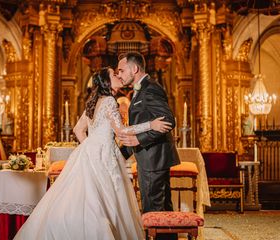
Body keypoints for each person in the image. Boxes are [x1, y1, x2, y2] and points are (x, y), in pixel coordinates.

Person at [14, 67, 172, 240]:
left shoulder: (94, 101)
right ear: (106, 81)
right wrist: (151, 125)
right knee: (103, 201)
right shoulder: (110, 101)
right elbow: (121, 131)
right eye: (114, 74)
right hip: (104, 157)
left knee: (88, 199)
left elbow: (77, 130)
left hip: (89, 153)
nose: (118, 75)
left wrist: (90, 146)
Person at [117, 52, 180, 214]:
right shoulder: (142, 88)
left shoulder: (150, 88)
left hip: (154, 159)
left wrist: (139, 139)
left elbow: (168, 121)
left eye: (122, 70)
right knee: (163, 211)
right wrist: (120, 153)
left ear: (135, 69)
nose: (119, 75)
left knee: (154, 211)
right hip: (152, 159)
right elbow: (141, 126)